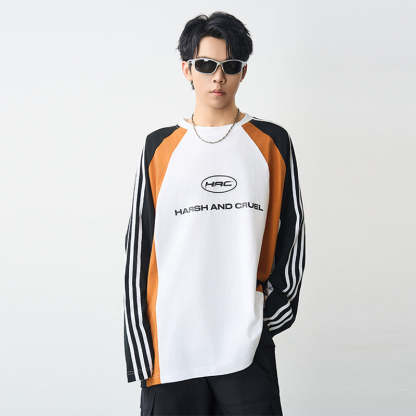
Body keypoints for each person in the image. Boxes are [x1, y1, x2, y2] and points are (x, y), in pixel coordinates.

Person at [123, 11, 306, 415]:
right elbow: (138, 248)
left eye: (230, 66)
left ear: (243, 72)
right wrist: (140, 344)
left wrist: (268, 317)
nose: (218, 77)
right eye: (206, 65)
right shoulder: (158, 147)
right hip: (171, 349)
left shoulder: (272, 142)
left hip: (245, 346)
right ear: (187, 69)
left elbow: (292, 232)